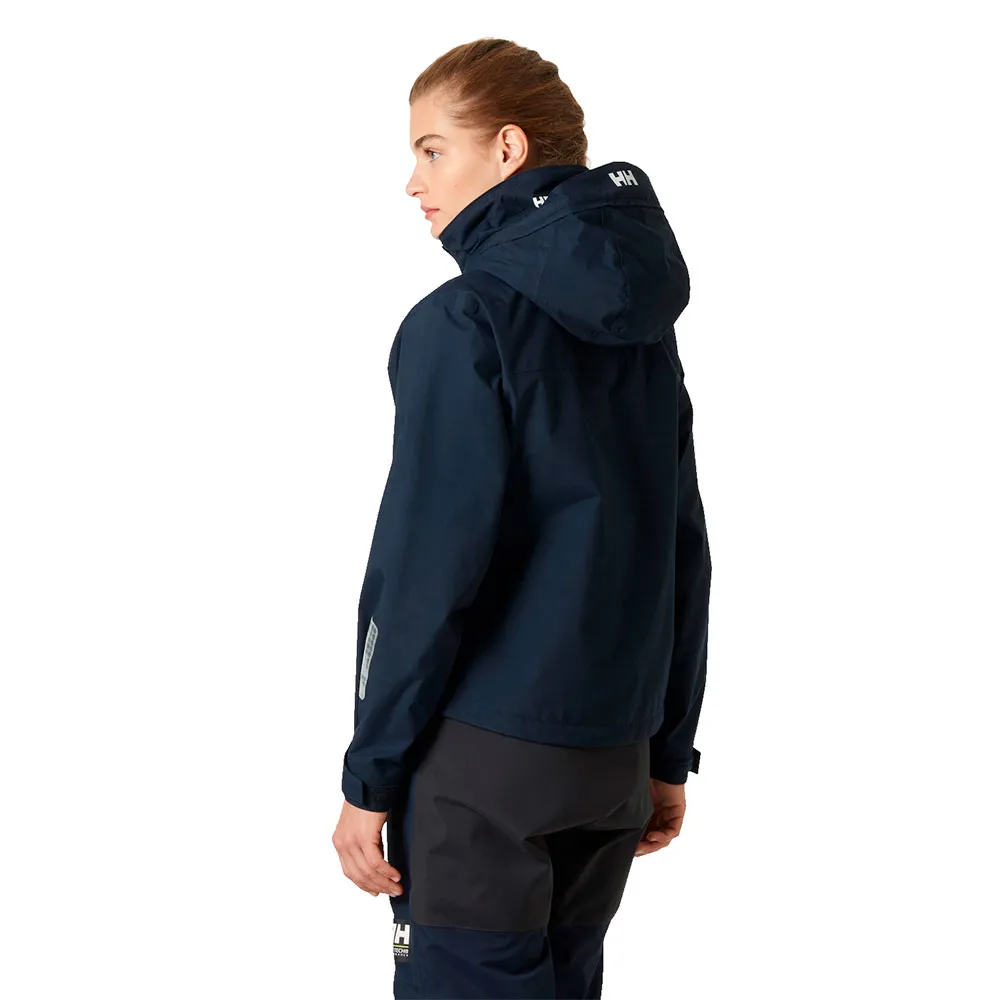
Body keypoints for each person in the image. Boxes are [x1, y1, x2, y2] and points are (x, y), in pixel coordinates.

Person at [332, 38, 711, 999]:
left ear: (506, 149)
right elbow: (680, 548)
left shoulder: (461, 323)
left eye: (432, 150)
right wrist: (666, 751)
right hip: (612, 761)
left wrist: (369, 777)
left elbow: (426, 572)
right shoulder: (646, 335)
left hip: (483, 769)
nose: (412, 183)